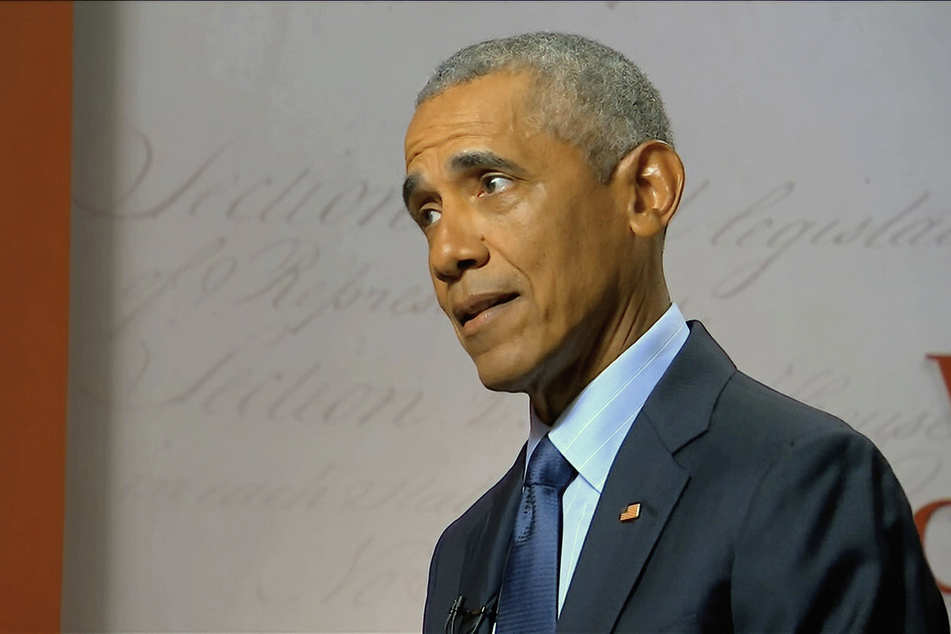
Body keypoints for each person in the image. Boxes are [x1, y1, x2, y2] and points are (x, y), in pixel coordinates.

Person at [401, 32, 948, 633]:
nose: (447, 251)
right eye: (428, 212)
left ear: (646, 192)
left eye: (492, 183)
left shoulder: (799, 482)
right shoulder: (464, 550)